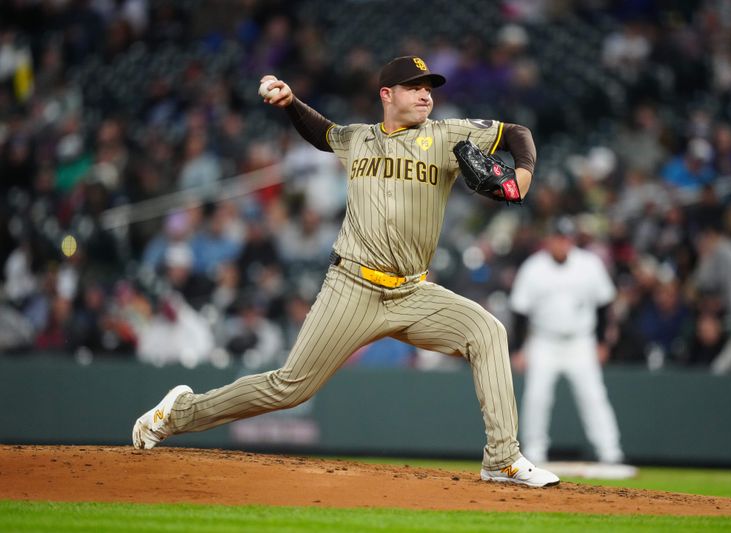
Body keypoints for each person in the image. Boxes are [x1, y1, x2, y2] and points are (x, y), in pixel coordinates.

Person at [131, 56, 559, 488]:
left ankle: (502, 459)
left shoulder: (447, 134)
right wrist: (290, 102)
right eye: (414, 87)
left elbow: (517, 133)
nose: (426, 94)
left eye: (429, 87)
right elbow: (323, 133)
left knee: (488, 332)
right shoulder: (359, 139)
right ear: (386, 95)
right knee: (289, 388)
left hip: (413, 292)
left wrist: (521, 176)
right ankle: (178, 413)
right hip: (352, 286)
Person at [509, 217, 626, 466]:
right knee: (537, 396)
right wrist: (518, 349)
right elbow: (520, 311)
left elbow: (605, 305)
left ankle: (610, 451)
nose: (562, 243)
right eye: (557, 238)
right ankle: (535, 451)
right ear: (549, 240)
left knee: (593, 395)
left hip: (581, 341)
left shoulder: (589, 264)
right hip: (543, 341)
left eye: (566, 238)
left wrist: (603, 342)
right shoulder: (534, 267)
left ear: (571, 240)